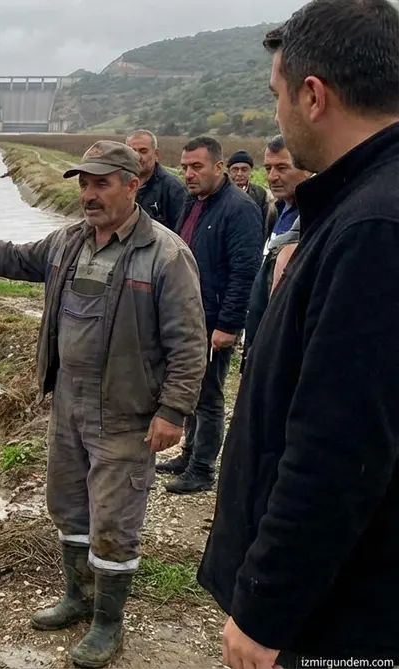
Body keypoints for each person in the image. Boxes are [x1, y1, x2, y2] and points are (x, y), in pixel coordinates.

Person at [0, 141, 207, 668]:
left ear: (132, 185)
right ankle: (76, 596)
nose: (88, 195)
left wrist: (173, 410)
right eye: (83, 184)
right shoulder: (69, 242)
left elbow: (188, 341)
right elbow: (14, 259)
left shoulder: (164, 254)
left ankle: (108, 624)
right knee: (69, 506)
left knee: (114, 520)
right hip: (68, 402)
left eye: (101, 184)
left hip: (126, 412)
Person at [199, 0, 399, 666]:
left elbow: (338, 447)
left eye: (277, 94)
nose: (275, 114)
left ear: (313, 95)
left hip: (341, 619)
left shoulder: (373, 227)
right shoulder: (360, 205)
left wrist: (264, 607)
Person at [156, 136, 263, 495]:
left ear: (219, 167)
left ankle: (202, 469)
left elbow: (244, 272)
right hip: (188, 318)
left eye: (196, 166)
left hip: (213, 320)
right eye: (184, 167)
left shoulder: (239, 209)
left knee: (210, 395)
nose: (188, 173)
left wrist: (227, 326)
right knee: (191, 389)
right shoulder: (192, 202)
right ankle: (187, 454)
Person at [242, 134, 311, 361]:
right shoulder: (277, 210)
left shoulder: (314, 217)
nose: (272, 177)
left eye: (282, 167)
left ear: (307, 167)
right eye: (268, 168)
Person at [126, 129, 187, 227]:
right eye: (132, 151)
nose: (137, 156)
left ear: (156, 154)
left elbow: (182, 232)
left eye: (143, 151)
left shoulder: (174, 189)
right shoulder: (118, 184)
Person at [227, 150, 275, 238]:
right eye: (235, 170)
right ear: (229, 172)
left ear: (250, 172)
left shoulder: (260, 193)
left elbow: (264, 224)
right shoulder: (221, 193)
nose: (239, 174)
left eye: (244, 170)